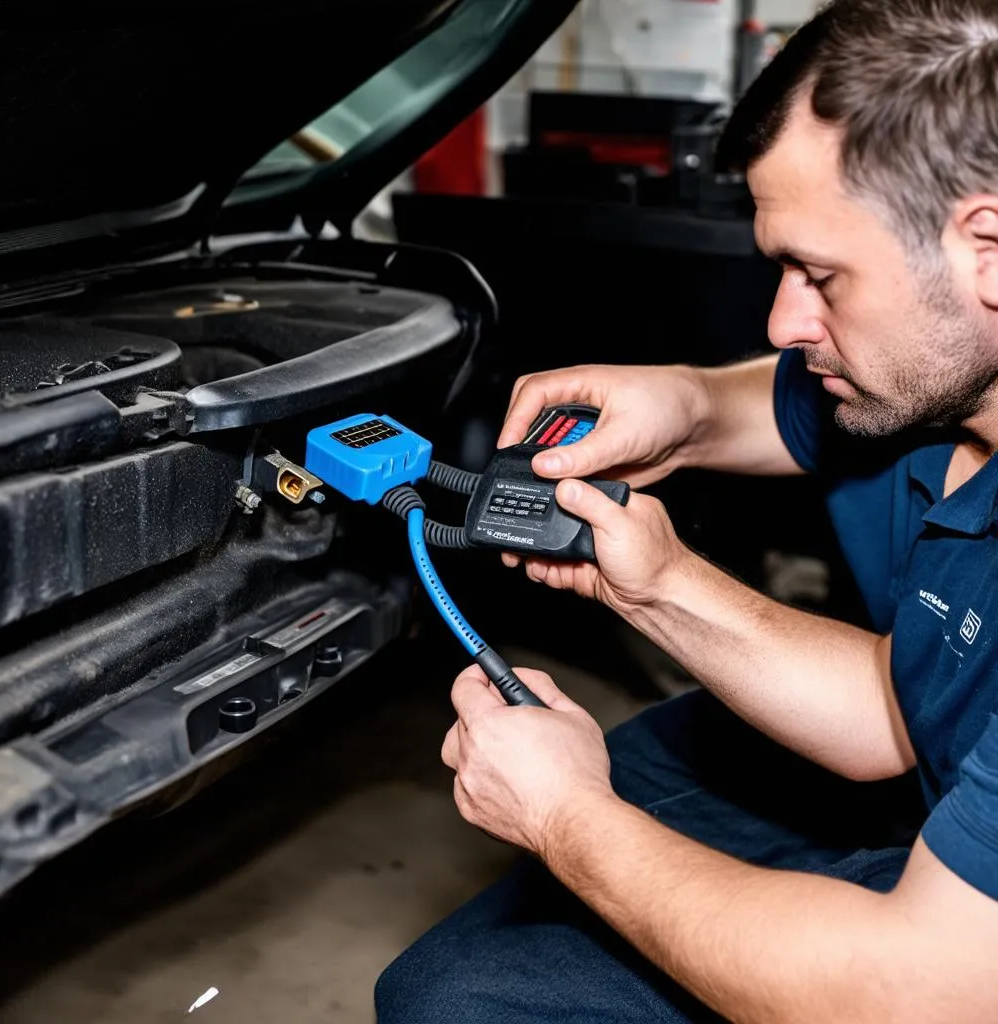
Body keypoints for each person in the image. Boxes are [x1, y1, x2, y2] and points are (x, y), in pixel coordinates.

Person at [376, 1, 998, 1020]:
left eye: (820, 274)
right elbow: (902, 708)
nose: (782, 322)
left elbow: (910, 995)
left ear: (986, 244)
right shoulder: (949, 391)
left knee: (463, 1003)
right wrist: (659, 572)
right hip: (936, 820)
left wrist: (565, 817)